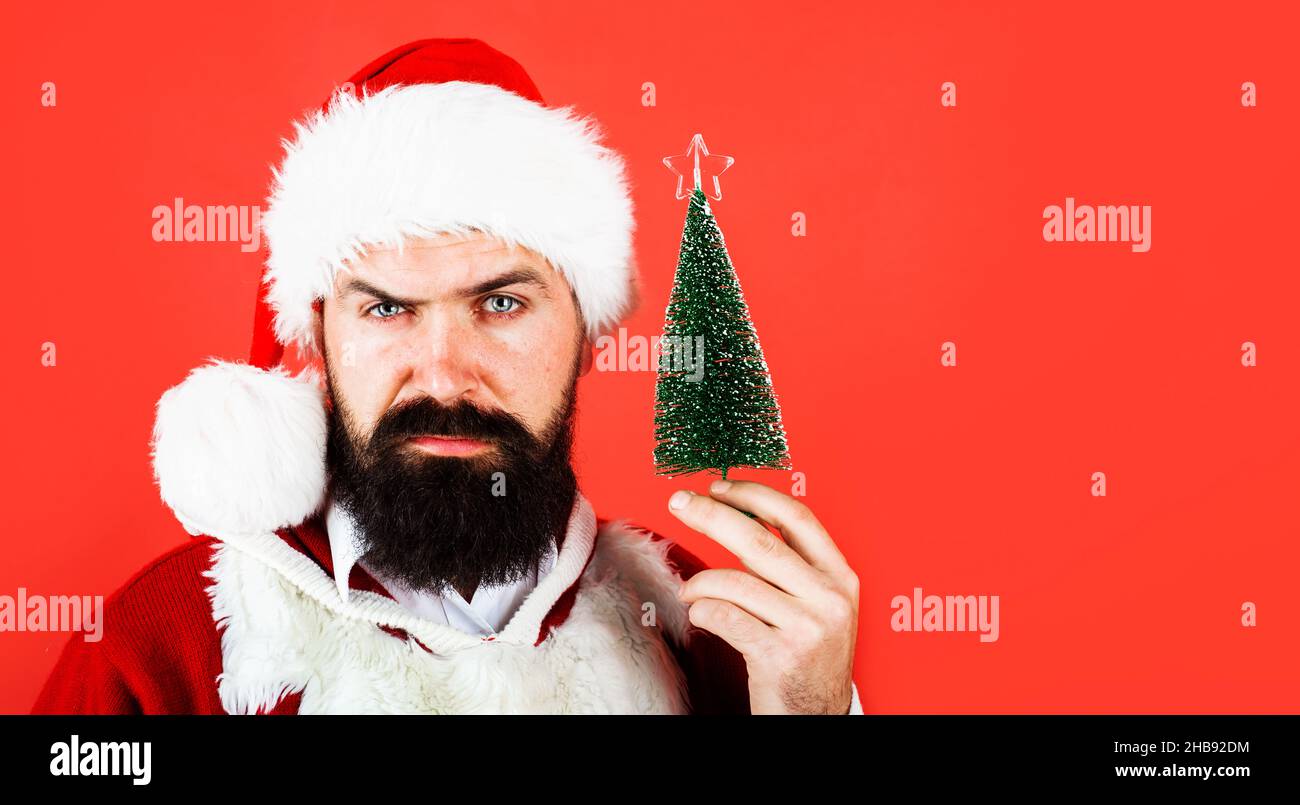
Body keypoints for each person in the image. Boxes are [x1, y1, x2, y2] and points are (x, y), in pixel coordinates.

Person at [32, 38, 862, 715]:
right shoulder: (160, 650)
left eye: (500, 302)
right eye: (387, 310)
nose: (443, 372)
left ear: (588, 333)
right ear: (318, 338)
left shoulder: (712, 635)